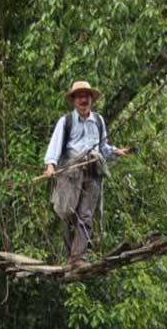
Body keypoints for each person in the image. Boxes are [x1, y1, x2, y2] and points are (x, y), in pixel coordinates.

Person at [44, 81, 129, 267]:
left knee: (86, 215)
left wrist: (115, 151)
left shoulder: (98, 121)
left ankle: (78, 257)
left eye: (87, 96)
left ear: (91, 99)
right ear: (74, 100)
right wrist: (50, 165)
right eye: (80, 96)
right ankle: (70, 256)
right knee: (67, 213)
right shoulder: (66, 121)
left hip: (93, 172)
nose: (84, 99)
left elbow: (103, 147)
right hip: (71, 173)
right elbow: (55, 146)